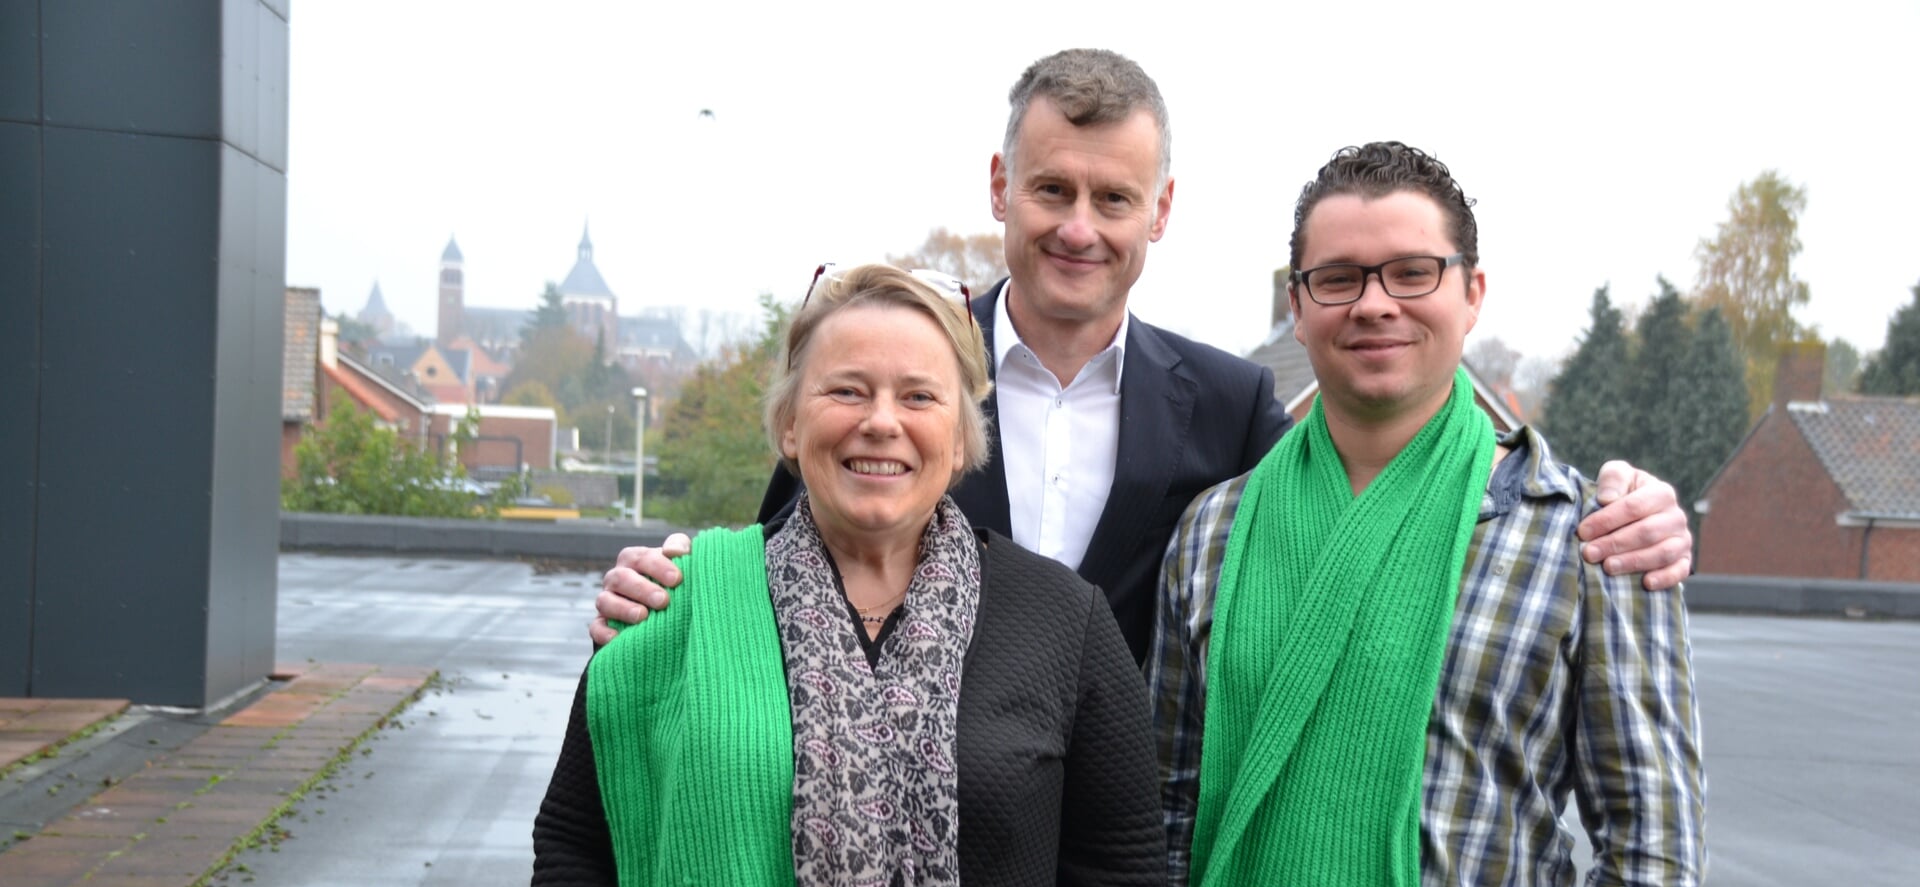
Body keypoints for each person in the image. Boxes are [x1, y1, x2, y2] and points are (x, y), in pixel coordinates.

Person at [590, 49, 1696, 659]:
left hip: (1115, 875)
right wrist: (665, 589)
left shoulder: (1230, 402)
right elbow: (779, 554)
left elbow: (1389, 434)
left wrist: (1615, 496)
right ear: (999, 188)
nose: (1080, 226)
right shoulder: (899, 381)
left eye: (1113, 197)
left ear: (1159, 211)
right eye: (1053, 189)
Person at [510, 264, 1169, 887]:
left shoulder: (1062, 620)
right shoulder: (680, 602)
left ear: (964, 437)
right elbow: (578, 843)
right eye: (846, 390)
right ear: (789, 423)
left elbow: (1121, 864)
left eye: (919, 397)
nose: (881, 422)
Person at [1148, 143, 1704, 887]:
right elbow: (1166, 809)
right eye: (1339, 277)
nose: (1374, 303)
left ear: (1472, 290)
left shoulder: (1586, 538)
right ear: (1299, 299)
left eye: (1413, 271)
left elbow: (1653, 851)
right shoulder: (1216, 530)